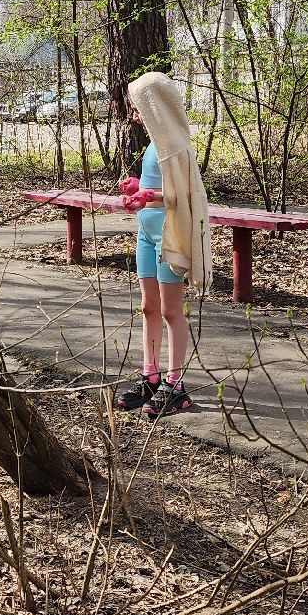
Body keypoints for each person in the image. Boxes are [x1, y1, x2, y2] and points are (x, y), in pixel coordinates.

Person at [113, 71, 211, 418]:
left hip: (170, 236)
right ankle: (150, 376)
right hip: (146, 233)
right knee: (148, 307)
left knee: (171, 311)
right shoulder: (154, 144)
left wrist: (149, 196)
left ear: (154, 106)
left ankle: (175, 385)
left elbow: (186, 196)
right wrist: (137, 187)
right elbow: (157, 187)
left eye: (138, 107)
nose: (134, 114)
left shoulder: (175, 145)